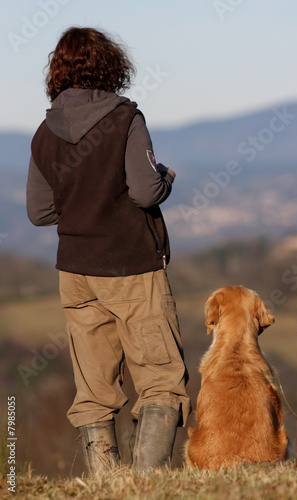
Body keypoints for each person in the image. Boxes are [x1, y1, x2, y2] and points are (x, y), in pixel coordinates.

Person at [26, 26, 191, 475]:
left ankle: (106, 484)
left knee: (94, 386)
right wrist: (167, 177)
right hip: (132, 266)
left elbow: (40, 213)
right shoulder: (126, 119)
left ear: (57, 72)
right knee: (160, 379)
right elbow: (145, 192)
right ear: (111, 65)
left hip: (76, 273)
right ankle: (146, 483)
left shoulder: (44, 132)